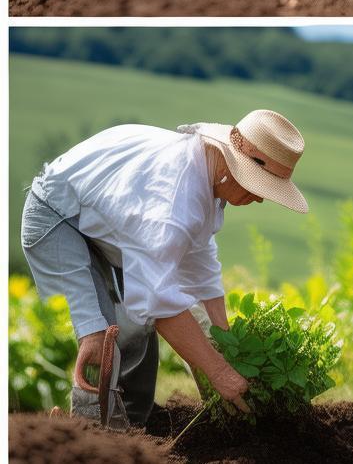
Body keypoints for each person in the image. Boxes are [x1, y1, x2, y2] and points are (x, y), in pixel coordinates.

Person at [20, 109, 309, 426]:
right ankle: (87, 439)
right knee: (101, 340)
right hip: (57, 217)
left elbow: (200, 266)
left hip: (102, 224)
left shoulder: (207, 177)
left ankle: (131, 431)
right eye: (259, 186)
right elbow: (157, 301)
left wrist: (224, 340)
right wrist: (220, 372)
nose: (259, 199)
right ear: (232, 163)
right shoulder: (174, 199)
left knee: (136, 328)